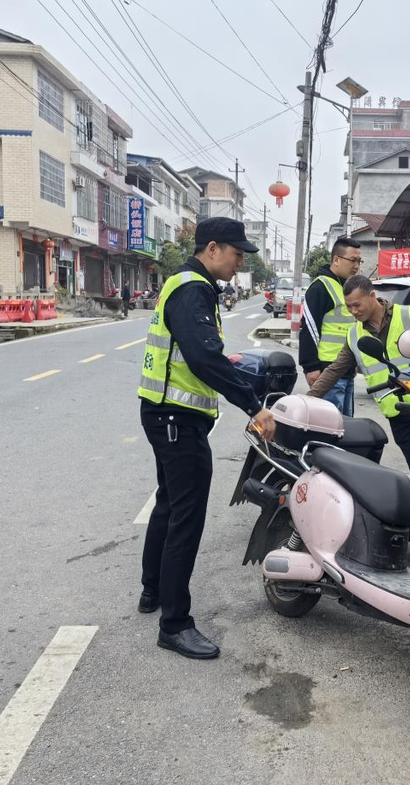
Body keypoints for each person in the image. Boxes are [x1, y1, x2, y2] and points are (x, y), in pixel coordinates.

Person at [137, 217, 277, 660]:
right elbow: (202, 358)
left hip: (167, 413)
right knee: (187, 517)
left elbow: (195, 353)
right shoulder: (191, 288)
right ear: (212, 248)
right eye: (237, 255)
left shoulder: (192, 286)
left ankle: (152, 590)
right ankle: (175, 624)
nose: (239, 264)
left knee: (169, 504)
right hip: (176, 419)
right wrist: (254, 405)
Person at [307, 274, 410, 495]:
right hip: (397, 409)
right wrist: (308, 398)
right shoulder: (354, 334)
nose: (353, 311)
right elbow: (334, 370)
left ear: (372, 296)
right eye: (348, 307)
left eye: (357, 304)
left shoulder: (407, 315)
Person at [299, 237, 362, 415]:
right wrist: (310, 367)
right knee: (331, 428)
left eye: (359, 261)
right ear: (336, 260)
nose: (356, 266)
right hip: (327, 370)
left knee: (346, 429)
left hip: (345, 370)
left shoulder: (344, 287)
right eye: (352, 260)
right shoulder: (321, 287)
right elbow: (309, 329)